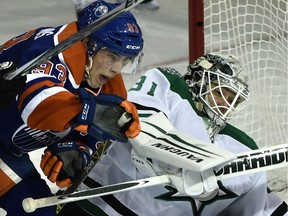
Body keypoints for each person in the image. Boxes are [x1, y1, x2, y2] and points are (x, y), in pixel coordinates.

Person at [57, 54, 288, 215]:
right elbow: (140, 127)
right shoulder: (171, 85)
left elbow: (258, 206)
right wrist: (189, 162)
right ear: (200, 80)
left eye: (232, 100)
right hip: (97, 204)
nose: (226, 105)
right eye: (222, 93)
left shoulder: (243, 147)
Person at [0, 0, 144, 215]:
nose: (117, 68)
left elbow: (91, 137)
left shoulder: (109, 86)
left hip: (7, 148)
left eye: (125, 60)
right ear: (88, 43)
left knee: (38, 210)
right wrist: (91, 113)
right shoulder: (52, 50)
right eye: (112, 56)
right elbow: (38, 103)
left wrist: (76, 149)